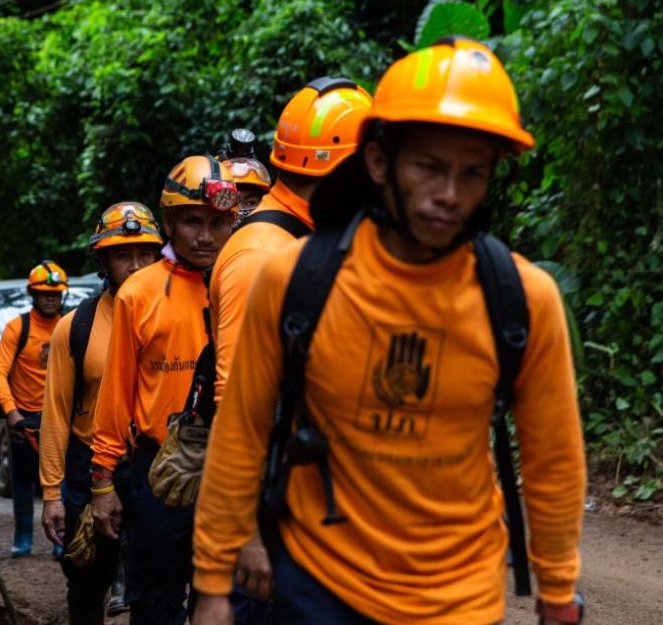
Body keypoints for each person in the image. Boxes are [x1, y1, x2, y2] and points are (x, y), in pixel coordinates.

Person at [192, 39, 586, 625]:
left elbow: (553, 457)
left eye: (472, 172)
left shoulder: (523, 301)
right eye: (429, 166)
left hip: (459, 601)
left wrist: (557, 595)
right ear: (379, 162)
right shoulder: (295, 280)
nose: (450, 194)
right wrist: (213, 584)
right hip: (319, 587)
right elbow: (242, 430)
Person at [207, 77, 373, 621]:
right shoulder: (262, 254)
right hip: (270, 526)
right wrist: (248, 532)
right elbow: (237, 405)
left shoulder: (304, 241)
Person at [91, 155, 237, 625]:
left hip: (234, 470)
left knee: (229, 604)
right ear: (169, 222)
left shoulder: (249, 281)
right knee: (156, 604)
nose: (205, 236)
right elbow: (117, 393)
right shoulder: (139, 293)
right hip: (160, 472)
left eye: (218, 222)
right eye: (193, 221)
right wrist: (102, 483)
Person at [39, 203, 163, 623]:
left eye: (145, 253)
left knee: (156, 585)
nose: (135, 265)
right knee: (87, 579)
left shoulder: (177, 315)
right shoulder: (75, 327)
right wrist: (52, 494)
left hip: (154, 465)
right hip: (87, 466)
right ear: (103, 261)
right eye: (122, 254)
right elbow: (55, 414)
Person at [0, 260, 68, 556]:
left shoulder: (70, 324)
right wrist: (12, 413)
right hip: (24, 419)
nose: (50, 297)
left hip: (60, 418)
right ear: (33, 294)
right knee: (23, 480)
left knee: (62, 480)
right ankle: (23, 535)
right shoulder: (17, 328)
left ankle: (61, 538)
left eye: (55, 293)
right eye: (44, 293)